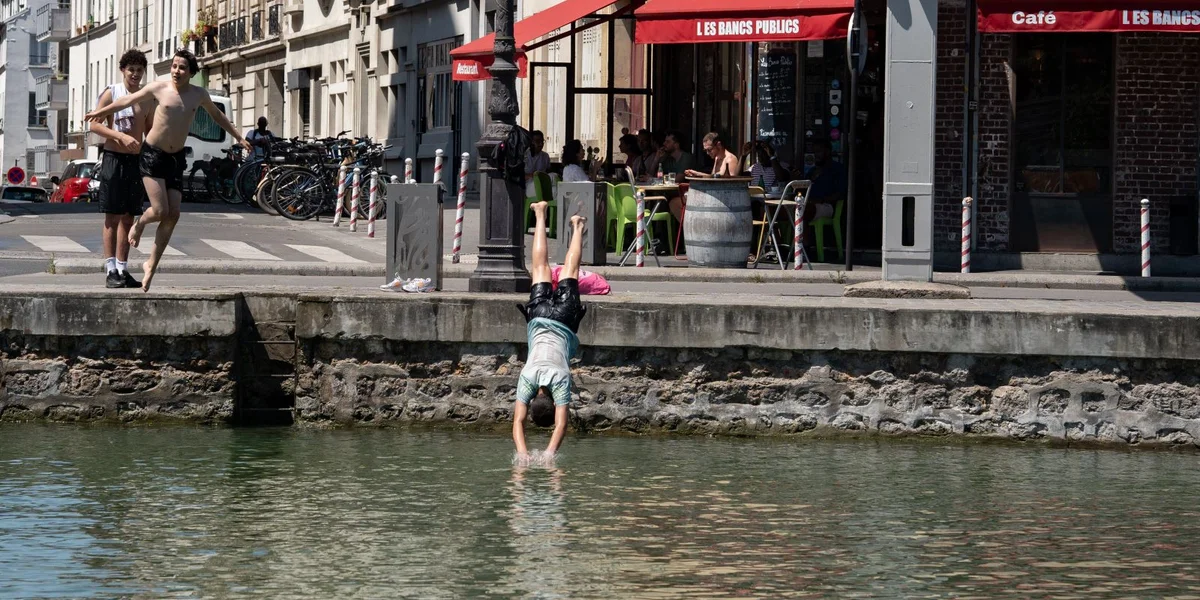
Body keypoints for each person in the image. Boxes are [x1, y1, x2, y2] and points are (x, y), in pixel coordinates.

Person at [85, 49, 252, 292]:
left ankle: (146, 264)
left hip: (171, 158)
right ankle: (124, 250)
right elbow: (124, 103)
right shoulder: (153, 89)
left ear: (191, 72)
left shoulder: (197, 94)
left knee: (171, 214)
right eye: (174, 66)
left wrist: (238, 136)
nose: (176, 71)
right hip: (145, 156)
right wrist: (100, 114)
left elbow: (217, 116)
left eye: (182, 67)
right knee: (141, 212)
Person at [512, 201, 588, 460]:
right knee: (540, 268)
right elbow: (518, 422)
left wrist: (548, 454)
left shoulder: (561, 381)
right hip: (539, 316)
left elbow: (562, 425)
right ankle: (540, 213)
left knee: (570, 271)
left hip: (565, 320)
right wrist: (522, 452)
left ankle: (577, 226)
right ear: (533, 400)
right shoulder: (527, 379)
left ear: (554, 403)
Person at [90, 49, 153, 289]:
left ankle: (123, 268)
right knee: (112, 216)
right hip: (114, 158)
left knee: (129, 217)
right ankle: (110, 270)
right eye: (131, 70)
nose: (135, 74)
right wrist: (120, 136)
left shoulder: (146, 97)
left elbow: (149, 131)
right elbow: (95, 125)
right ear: (123, 71)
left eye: (139, 70)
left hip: (135, 161)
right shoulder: (112, 93)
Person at [803, 140, 845, 223]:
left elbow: (841, 193)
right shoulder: (812, 171)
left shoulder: (837, 169)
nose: (816, 155)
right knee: (791, 209)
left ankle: (803, 232)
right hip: (810, 204)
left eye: (818, 152)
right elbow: (804, 190)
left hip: (827, 206)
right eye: (814, 152)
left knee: (803, 211)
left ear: (827, 152)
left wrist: (821, 200)